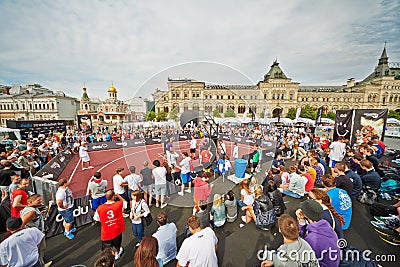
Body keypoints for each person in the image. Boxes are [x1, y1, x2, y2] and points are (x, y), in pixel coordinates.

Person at [296, 199, 341, 267]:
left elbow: (303, 246)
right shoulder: (327, 226)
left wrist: (299, 220)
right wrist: (302, 221)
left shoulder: (312, 239)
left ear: (306, 215)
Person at [94, 190, 125, 261]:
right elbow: (125, 203)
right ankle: (118, 252)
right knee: (118, 244)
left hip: (106, 233)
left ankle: (109, 259)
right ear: (113, 197)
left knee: (106, 249)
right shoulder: (118, 204)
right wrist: (119, 196)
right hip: (117, 230)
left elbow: (96, 218)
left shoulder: (100, 208)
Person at [20, 194, 48, 266]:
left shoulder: (30, 209)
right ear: (31, 202)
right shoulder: (31, 211)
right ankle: (41, 264)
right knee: (39, 249)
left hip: (35, 233)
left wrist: (40, 214)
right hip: (35, 234)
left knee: (40, 249)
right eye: (38, 200)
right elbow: (22, 224)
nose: (40, 201)